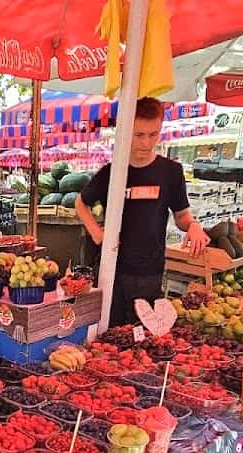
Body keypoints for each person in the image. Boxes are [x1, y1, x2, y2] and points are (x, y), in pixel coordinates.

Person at [76, 96, 209, 327]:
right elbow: (80, 202)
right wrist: (97, 233)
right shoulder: (111, 172)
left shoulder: (171, 172)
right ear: (126, 130)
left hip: (150, 272)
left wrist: (194, 226)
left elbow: (181, 216)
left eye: (153, 135)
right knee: (108, 334)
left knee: (143, 336)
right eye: (139, 135)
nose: (146, 143)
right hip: (112, 270)